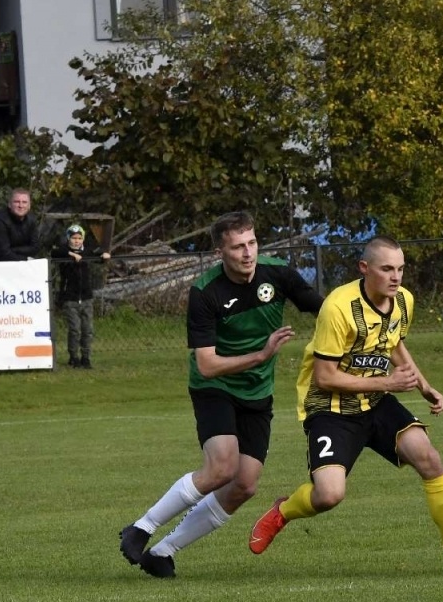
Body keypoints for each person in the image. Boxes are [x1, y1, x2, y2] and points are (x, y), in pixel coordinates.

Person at [119, 211, 324, 578]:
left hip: (257, 392)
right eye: (237, 247)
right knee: (221, 467)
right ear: (220, 252)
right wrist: (261, 355)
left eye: (252, 243)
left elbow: (323, 308)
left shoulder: (277, 274)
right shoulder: (205, 292)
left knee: (244, 484)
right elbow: (208, 364)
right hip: (215, 387)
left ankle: (163, 552)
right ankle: (142, 527)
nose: (247, 254)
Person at [247, 236, 443, 559]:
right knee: (329, 494)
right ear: (364, 268)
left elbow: (393, 343)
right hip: (330, 407)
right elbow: (324, 377)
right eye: (387, 269)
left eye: (401, 269)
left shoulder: (404, 301)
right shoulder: (338, 308)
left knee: (429, 459)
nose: (396, 277)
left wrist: (423, 385)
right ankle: (283, 511)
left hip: (375, 399)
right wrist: (388, 384)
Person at [52, 223, 109, 368]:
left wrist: (104, 256)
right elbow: (55, 253)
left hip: (86, 297)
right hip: (70, 298)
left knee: (87, 329)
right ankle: (73, 356)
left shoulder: (87, 251)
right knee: (75, 329)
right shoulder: (63, 251)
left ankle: (86, 357)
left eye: (79, 238)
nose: (76, 241)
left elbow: (99, 255)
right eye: (73, 238)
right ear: (68, 238)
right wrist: (72, 254)